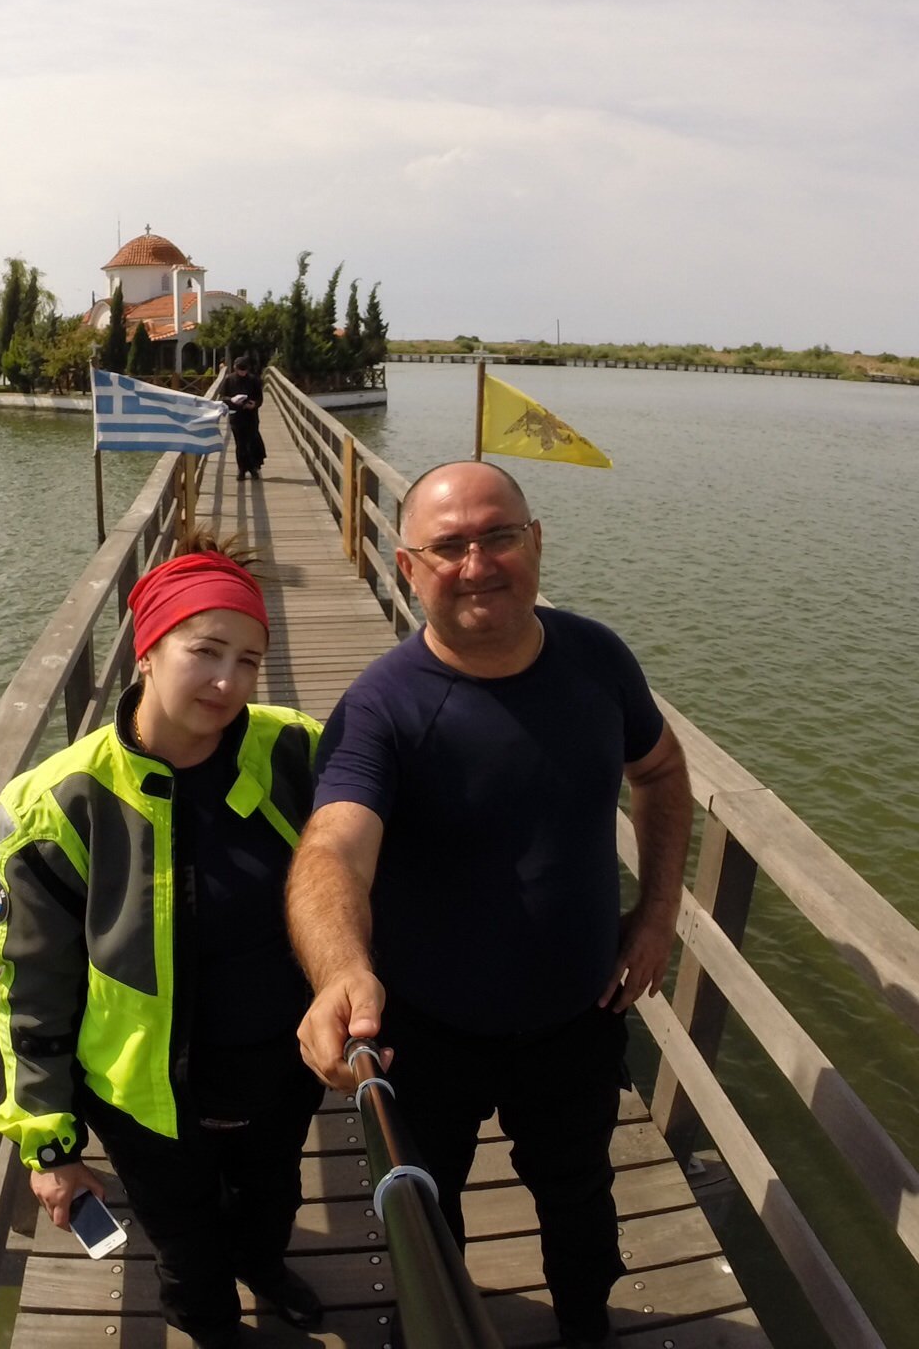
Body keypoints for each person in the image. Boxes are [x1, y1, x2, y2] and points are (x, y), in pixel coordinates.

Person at [285, 461, 693, 1349]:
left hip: (577, 1016)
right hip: (427, 1032)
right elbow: (332, 849)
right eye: (449, 547)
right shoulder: (381, 708)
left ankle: (585, 1325)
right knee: (429, 1214)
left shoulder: (598, 659)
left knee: (580, 1199)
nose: (478, 565)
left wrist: (659, 913)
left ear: (535, 542)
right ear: (407, 568)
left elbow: (661, 769)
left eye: (499, 536)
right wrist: (339, 969)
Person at [0, 535, 326, 1349]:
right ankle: (207, 1324)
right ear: (147, 649)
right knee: (185, 1242)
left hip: (281, 1071)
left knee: (274, 1195)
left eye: (248, 660)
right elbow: (30, 989)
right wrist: (50, 1145)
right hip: (148, 1101)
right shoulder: (55, 805)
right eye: (204, 652)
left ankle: (265, 1266)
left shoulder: (295, 751)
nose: (227, 682)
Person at [215, 356, 266, 479]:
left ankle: (253, 468)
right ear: (235, 368)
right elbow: (223, 397)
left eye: (245, 370)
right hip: (236, 416)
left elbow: (259, 398)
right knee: (240, 443)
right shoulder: (229, 380)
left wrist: (254, 404)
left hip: (251, 416)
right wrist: (232, 400)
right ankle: (242, 469)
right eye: (240, 370)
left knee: (252, 441)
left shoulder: (253, 380)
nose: (243, 372)